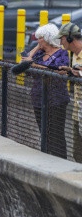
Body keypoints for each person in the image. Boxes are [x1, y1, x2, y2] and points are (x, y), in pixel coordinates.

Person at [21, 23, 70, 159]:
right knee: (44, 133)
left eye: (40, 38)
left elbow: (59, 71)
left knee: (56, 134)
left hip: (56, 99)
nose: (37, 40)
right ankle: (47, 158)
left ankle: (60, 161)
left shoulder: (62, 53)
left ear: (48, 38)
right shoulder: (39, 53)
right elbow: (23, 61)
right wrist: (37, 47)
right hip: (38, 98)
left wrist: (35, 66)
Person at [58, 22, 82, 162]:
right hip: (77, 110)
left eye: (61, 38)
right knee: (77, 153)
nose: (60, 42)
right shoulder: (74, 55)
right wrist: (70, 71)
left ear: (69, 38)